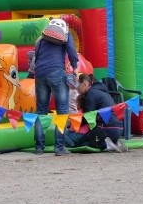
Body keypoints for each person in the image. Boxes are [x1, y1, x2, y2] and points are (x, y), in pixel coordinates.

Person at [33, 19, 79, 156]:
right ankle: (59, 148)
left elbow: (37, 54)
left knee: (41, 111)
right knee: (62, 111)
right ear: (66, 27)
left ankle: (39, 148)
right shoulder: (66, 34)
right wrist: (75, 68)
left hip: (40, 74)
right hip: (57, 73)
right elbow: (71, 50)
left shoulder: (41, 39)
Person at [64, 74, 127, 152]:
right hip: (119, 129)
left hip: (106, 128)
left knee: (81, 144)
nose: (77, 89)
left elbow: (88, 117)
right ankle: (114, 142)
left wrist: (72, 122)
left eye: (78, 86)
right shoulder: (102, 91)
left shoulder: (91, 94)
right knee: (89, 138)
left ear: (84, 83)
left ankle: (106, 144)